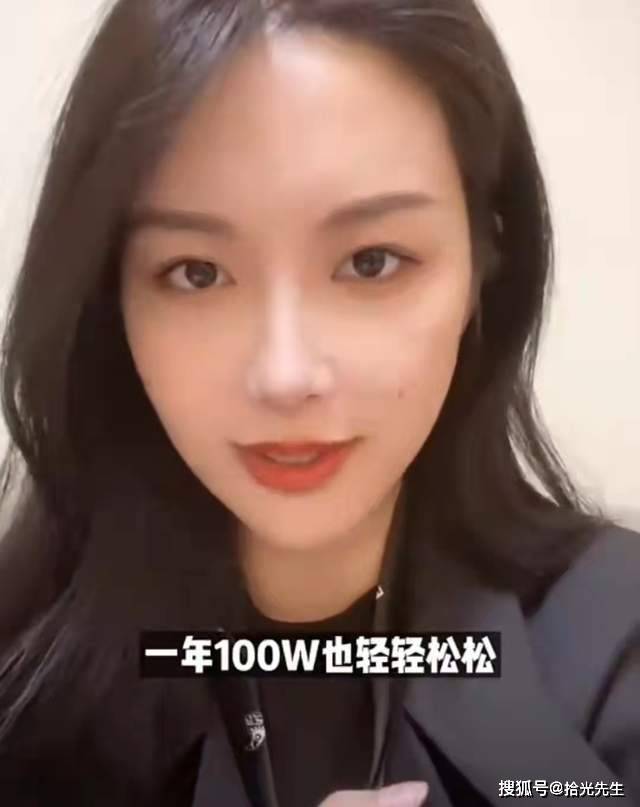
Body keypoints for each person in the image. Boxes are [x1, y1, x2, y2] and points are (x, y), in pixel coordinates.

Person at [0, 0, 638, 805]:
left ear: (485, 261)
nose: (286, 374)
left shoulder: (613, 642)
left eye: (371, 262)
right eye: (197, 272)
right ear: (110, 300)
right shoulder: (24, 673)